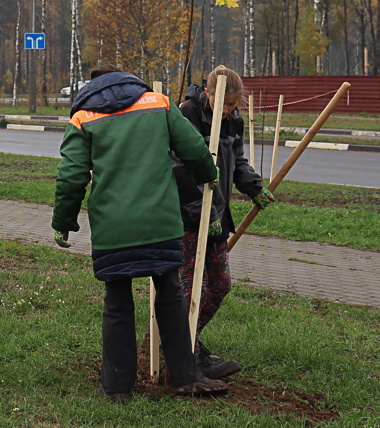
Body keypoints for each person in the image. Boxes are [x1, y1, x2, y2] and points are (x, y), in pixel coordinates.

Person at [52, 66, 228, 400]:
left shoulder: (82, 118)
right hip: (160, 222)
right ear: (129, 81)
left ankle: (117, 387)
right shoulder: (158, 103)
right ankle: (184, 376)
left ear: (91, 87)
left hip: (113, 229)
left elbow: (71, 176)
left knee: (117, 303)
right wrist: (209, 174)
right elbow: (193, 148)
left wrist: (63, 222)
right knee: (170, 294)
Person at [173, 65, 275, 379]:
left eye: (233, 104)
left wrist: (254, 187)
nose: (228, 109)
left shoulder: (234, 121)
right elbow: (180, 169)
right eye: (224, 103)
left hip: (217, 216)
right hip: (188, 216)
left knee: (219, 285)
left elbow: (238, 161)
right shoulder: (188, 114)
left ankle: (183, 339)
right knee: (191, 288)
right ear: (208, 93)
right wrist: (201, 213)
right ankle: (186, 354)